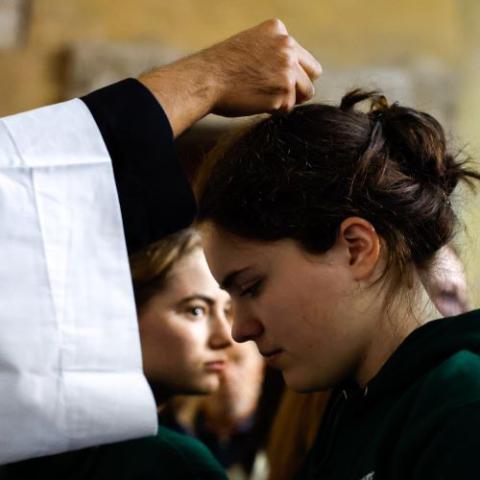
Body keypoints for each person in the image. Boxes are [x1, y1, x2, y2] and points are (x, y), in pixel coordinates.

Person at [0, 19, 321, 464]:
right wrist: (210, 76)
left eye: (231, 303)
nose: (232, 335)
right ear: (121, 311)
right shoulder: (163, 462)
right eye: (194, 309)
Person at [196, 89, 480, 478]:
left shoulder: (462, 406)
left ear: (356, 248)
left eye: (251, 287)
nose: (240, 329)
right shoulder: (355, 406)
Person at [3, 228, 232, 479]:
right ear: (123, 314)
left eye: (228, 311)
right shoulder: (177, 464)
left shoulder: (27, 439)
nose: (226, 336)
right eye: (196, 311)